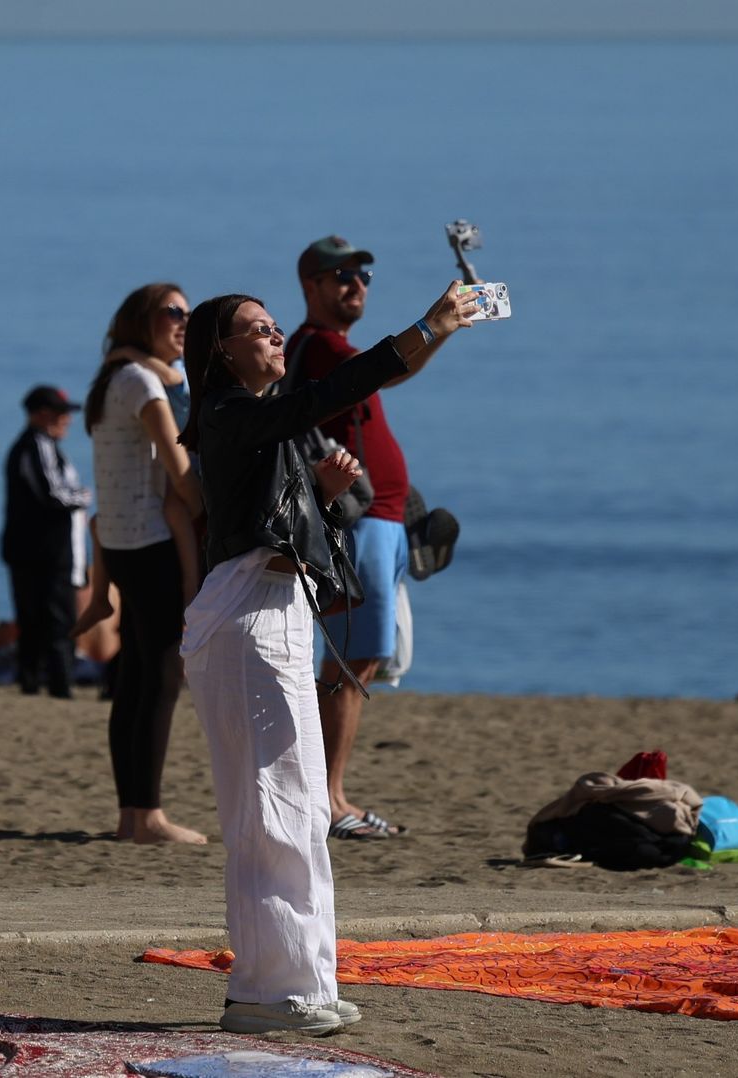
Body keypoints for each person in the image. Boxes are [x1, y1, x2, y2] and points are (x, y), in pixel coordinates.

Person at [178, 284, 477, 1035]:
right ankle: (267, 990)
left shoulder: (277, 429)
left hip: (277, 614)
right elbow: (333, 389)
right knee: (269, 808)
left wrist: (331, 492)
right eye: (259, 330)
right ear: (221, 348)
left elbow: (321, 514)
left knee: (304, 806)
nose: (276, 337)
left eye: (277, 327)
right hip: (245, 615)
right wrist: (426, 327)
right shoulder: (228, 414)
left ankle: (303, 978)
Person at [287, 236, 462, 841]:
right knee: (346, 662)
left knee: (356, 659)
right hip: (358, 520)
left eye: (361, 275)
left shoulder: (332, 348)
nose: (356, 285)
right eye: (341, 276)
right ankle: (328, 800)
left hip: (378, 518)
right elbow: (389, 365)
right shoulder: (317, 346)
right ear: (311, 285)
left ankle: (328, 795)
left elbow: (393, 368)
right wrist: (431, 324)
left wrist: (444, 329)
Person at [81, 283, 206, 844]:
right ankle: (147, 816)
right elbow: (179, 470)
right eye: (172, 313)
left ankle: (131, 813)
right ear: (142, 321)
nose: (184, 322)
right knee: (158, 679)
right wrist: (211, 507)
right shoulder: (141, 381)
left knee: (134, 679)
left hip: (122, 542)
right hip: (153, 542)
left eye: (188, 314)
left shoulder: (113, 378)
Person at [1, 385, 92, 698]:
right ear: (41, 415)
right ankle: (57, 684)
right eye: (61, 414)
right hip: (42, 552)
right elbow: (52, 495)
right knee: (53, 618)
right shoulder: (34, 446)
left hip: (40, 551)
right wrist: (82, 497)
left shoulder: (47, 446)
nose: (67, 420)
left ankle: (39, 681)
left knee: (44, 618)